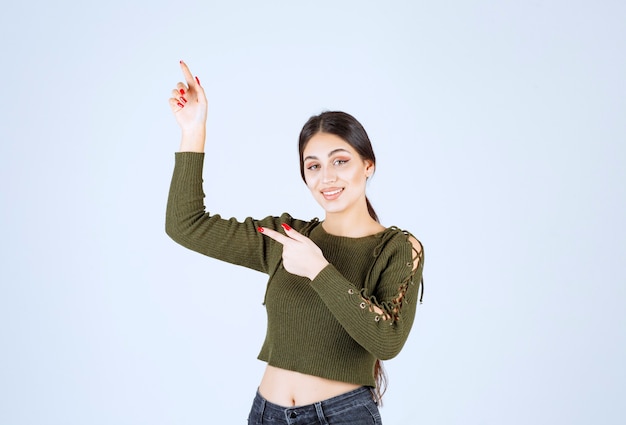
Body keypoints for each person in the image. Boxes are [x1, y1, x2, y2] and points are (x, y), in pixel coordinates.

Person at [166, 61, 425, 425]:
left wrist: (318, 269)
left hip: (342, 417)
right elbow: (186, 225)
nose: (328, 177)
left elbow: (387, 341)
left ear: (368, 165)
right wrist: (193, 131)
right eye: (314, 166)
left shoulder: (397, 248)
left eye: (341, 161)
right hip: (266, 413)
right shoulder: (286, 237)